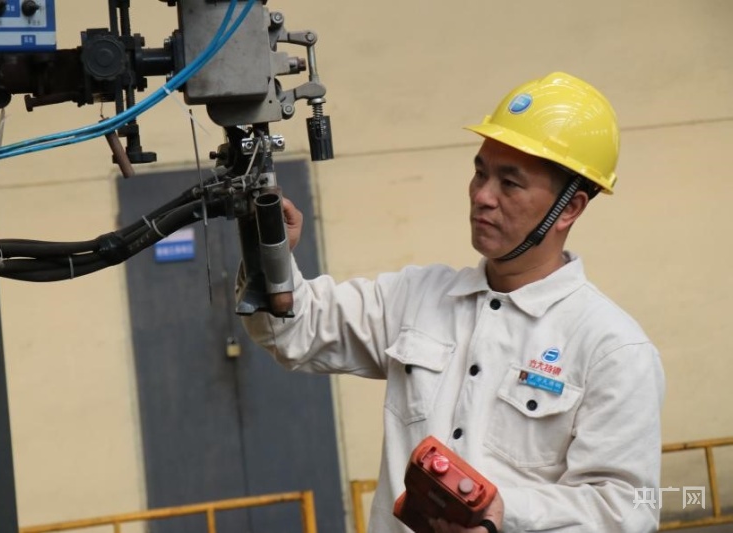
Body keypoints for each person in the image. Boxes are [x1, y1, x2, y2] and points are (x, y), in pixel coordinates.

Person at [240, 72, 665, 533]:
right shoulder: (417, 298)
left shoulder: (612, 348)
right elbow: (296, 330)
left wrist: (502, 513)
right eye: (481, 172)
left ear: (571, 208)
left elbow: (627, 508)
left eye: (510, 183)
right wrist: (269, 250)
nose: (482, 196)